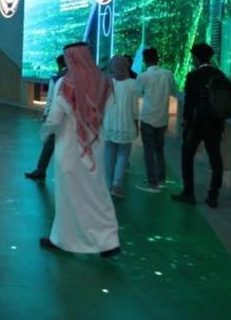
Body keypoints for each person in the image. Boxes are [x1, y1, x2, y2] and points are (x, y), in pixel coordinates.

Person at [38, 42, 120, 257]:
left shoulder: (66, 83)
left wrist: (44, 133)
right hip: (96, 147)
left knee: (69, 196)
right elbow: (108, 111)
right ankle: (108, 241)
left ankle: (64, 239)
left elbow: (55, 118)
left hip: (70, 149)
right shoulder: (105, 82)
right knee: (98, 194)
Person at [172, 43, 226, 208]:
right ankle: (213, 196)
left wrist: (185, 120)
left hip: (197, 123)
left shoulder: (194, 76)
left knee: (187, 155)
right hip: (216, 123)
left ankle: (189, 193)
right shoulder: (219, 74)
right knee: (215, 158)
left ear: (196, 57)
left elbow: (189, 101)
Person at [135, 48, 176, 193]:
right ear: (157, 58)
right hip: (163, 118)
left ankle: (152, 184)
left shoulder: (143, 76)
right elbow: (173, 91)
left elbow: (137, 94)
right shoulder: (168, 74)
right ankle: (161, 180)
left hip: (148, 117)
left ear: (145, 60)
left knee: (148, 151)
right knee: (159, 149)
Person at [25, 54, 67, 181]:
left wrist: (46, 115)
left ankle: (41, 170)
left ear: (59, 64)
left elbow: (50, 99)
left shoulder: (56, 79)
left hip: (57, 117)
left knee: (50, 144)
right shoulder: (78, 78)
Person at [103, 55, 139, 199]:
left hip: (108, 124)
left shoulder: (106, 81)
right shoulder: (132, 83)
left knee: (109, 155)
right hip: (126, 124)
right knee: (123, 155)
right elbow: (134, 107)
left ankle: (107, 184)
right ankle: (117, 186)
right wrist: (136, 123)